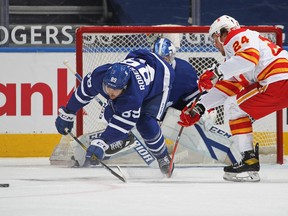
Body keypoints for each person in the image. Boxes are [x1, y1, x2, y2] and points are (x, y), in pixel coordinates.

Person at [178, 15, 288, 182]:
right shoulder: (234, 58)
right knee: (235, 105)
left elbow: (249, 59)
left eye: (214, 39)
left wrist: (215, 72)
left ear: (221, 33)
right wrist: (199, 108)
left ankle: (249, 161)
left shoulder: (235, 36)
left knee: (234, 107)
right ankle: (248, 160)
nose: (215, 45)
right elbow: (229, 88)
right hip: (278, 81)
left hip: (277, 80)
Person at [55, 49, 175, 176]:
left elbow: (122, 124)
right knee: (109, 112)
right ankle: (124, 138)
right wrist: (68, 112)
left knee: (145, 122)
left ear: (124, 88)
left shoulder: (132, 96)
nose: (110, 92)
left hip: (160, 78)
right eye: (108, 87)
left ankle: (163, 156)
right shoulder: (99, 75)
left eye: (115, 90)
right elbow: (84, 92)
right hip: (140, 61)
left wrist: (102, 142)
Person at [151, 37, 200, 111]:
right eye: (157, 58)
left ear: (172, 56)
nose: (160, 63)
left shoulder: (184, 71)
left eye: (165, 58)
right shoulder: (144, 69)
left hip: (171, 114)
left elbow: (196, 94)